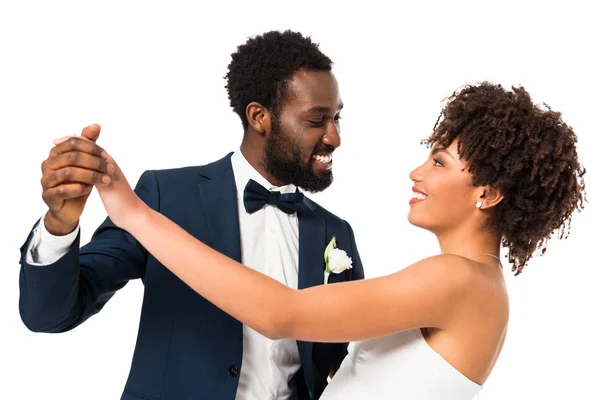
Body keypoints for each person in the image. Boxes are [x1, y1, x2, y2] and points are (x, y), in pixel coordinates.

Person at [91, 82, 586, 399]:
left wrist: (135, 214)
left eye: (439, 162)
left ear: (488, 193)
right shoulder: (479, 284)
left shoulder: (458, 279)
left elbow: (280, 314)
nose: (416, 173)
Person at [18, 30, 364, 400]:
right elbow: (49, 315)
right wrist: (60, 224)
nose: (334, 137)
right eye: (317, 120)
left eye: (337, 118)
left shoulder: (335, 232)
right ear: (259, 117)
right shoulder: (165, 198)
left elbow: (346, 366)